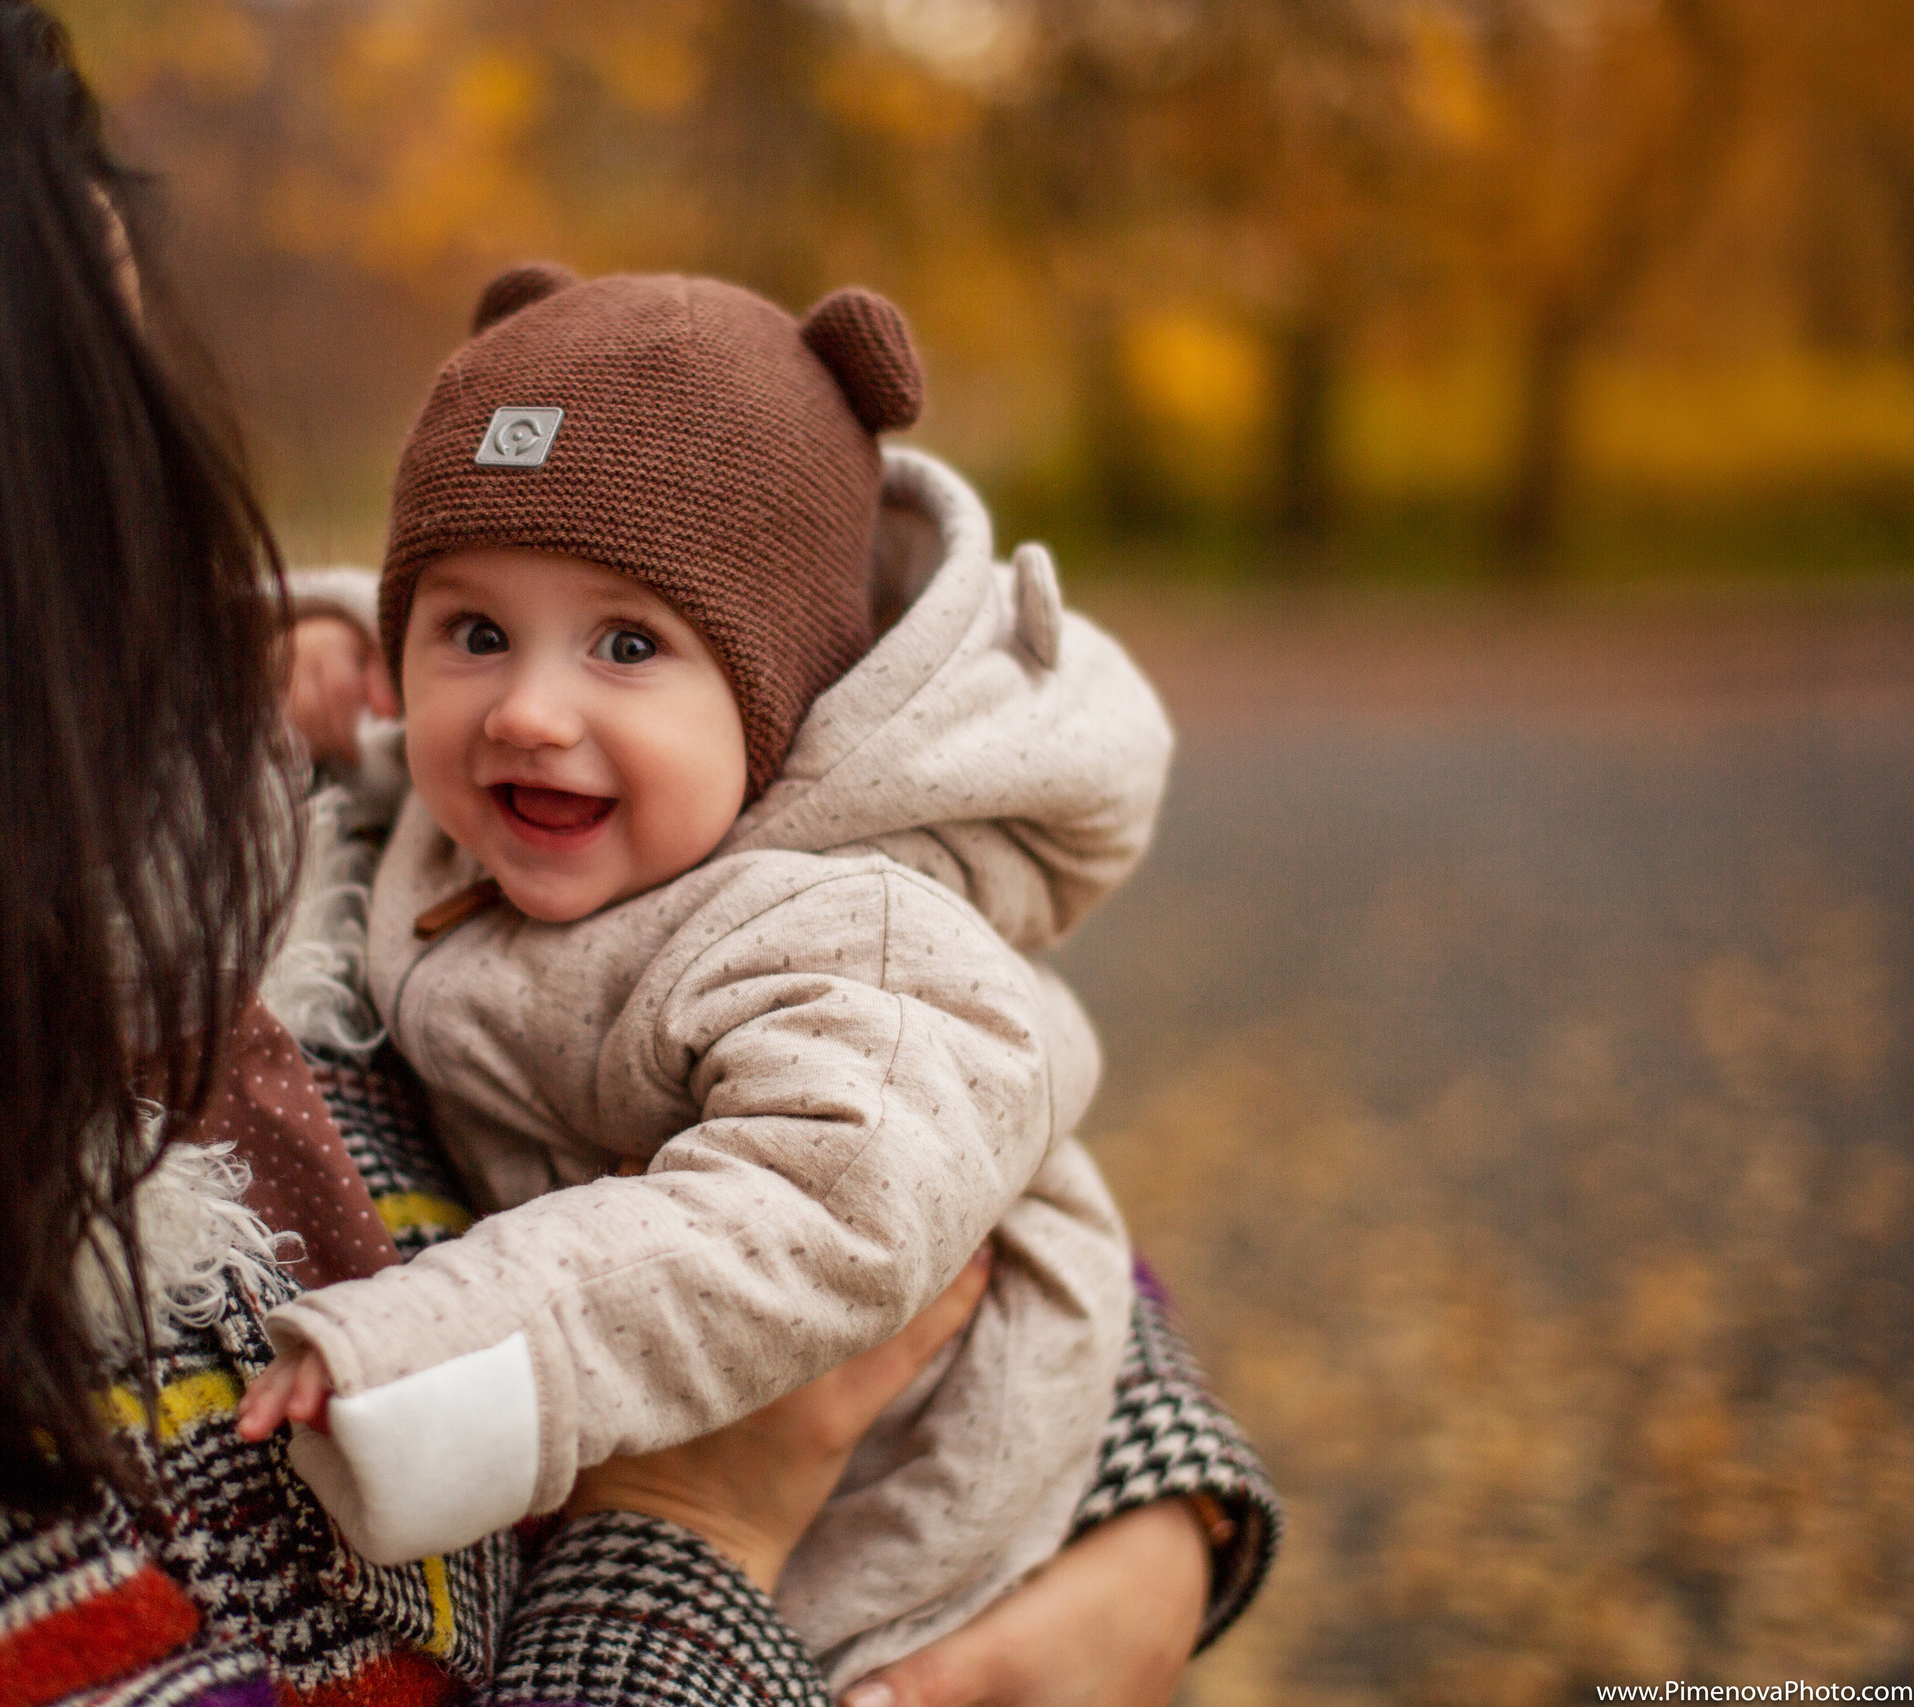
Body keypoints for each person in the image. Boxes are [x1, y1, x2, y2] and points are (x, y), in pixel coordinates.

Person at [0, 1, 1275, 1703]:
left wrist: (1153, 1523)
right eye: (80, 464)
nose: (166, 548)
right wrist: (694, 1533)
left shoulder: (199, 832)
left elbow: (909, 1128)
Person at [245, 267, 1239, 1687]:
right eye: (474, 633)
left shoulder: (845, 931)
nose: (528, 708)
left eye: (629, 643)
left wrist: (436, 1351)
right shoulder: (522, 803)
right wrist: (314, 644)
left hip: (900, 1547)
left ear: (787, 708)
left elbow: (819, 1202)